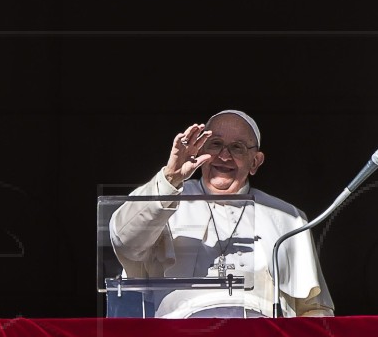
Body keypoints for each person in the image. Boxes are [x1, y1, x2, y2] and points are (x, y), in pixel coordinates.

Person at [109, 109, 334, 318]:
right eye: (215, 144)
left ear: (255, 162)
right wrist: (171, 178)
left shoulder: (288, 217)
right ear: (200, 150)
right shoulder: (165, 195)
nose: (224, 156)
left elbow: (313, 308)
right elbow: (124, 241)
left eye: (237, 147)